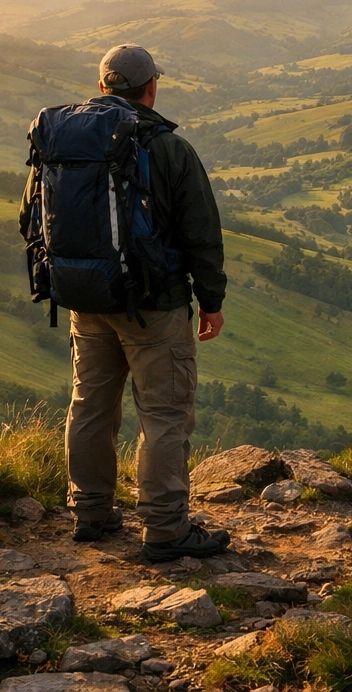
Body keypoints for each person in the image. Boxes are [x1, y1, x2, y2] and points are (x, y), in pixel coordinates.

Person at [20, 44, 230, 562]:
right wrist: (211, 300)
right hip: (154, 304)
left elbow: (31, 216)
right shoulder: (167, 147)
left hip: (84, 297)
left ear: (103, 88)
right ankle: (164, 528)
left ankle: (90, 512)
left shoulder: (64, 138)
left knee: (90, 404)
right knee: (163, 414)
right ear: (151, 88)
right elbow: (201, 232)